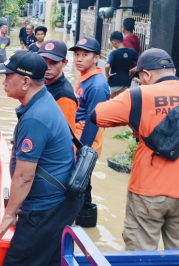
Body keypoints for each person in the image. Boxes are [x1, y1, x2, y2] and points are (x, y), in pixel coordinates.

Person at [92, 49, 179, 251]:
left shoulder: (139, 95)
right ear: (173, 70)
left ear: (146, 74)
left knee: (140, 255)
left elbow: (96, 116)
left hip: (148, 189)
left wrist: (136, 123)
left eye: (140, 77)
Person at [0, 51, 81, 266]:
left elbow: (24, 176)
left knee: (18, 261)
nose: (4, 82)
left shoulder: (35, 118)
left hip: (45, 211)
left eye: (7, 76)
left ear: (25, 82)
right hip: (59, 204)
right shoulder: (44, 100)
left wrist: (10, 214)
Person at [69, 37, 110, 227]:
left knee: (81, 182)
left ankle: (85, 224)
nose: (79, 58)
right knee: (82, 183)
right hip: (78, 137)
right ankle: (83, 224)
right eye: (77, 54)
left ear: (96, 58)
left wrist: (82, 153)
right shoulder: (86, 77)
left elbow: (94, 121)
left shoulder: (97, 85)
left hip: (86, 141)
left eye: (85, 55)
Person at [38, 39, 77, 130]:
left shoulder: (64, 96)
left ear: (64, 63)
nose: (47, 67)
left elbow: (67, 134)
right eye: (44, 61)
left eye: (54, 62)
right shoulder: (42, 82)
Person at [106, 31, 139, 98]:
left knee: (111, 102)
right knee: (122, 102)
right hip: (126, 82)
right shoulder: (131, 51)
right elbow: (142, 62)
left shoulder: (114, 53)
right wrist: (131, 70)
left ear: (114, 42)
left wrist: (107, 75)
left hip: (114, 82)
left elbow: (107, 66)